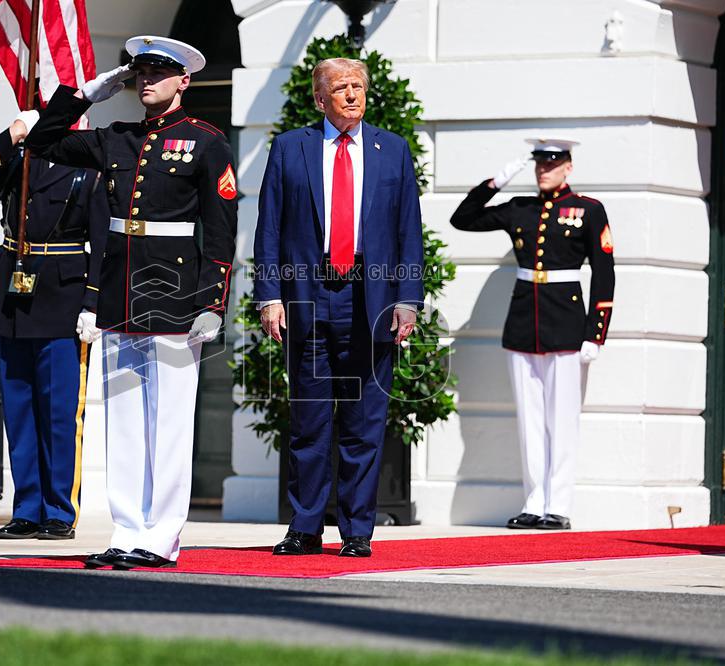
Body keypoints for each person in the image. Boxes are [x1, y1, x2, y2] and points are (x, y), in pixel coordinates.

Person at [22, 36, 237, 569]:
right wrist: (86, 94)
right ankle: (127, 530)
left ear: (184, 81)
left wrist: (213, 300)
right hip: (120, 293)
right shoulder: (115, 138)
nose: (147, 81)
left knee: (167, 422)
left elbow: (221, 229)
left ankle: (161, 536)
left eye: (159, 73)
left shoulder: (206, 142)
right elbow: (42, 143)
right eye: (140, 72)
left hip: (174, 295)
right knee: (122, 419)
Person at [253, 58, 424, 558]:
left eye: (358, 87)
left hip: (370, 300)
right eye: (341, 88)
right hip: (309, 296)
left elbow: (408, 233)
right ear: (319, 98)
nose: (352, 95)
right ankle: (305, 527)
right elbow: (269, 229)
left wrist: (409, 301)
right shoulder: (290, 148)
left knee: (364, 422)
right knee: (309, 420)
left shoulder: (391, 149)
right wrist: (269, 296)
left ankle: (356, 532)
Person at [450, 138, 616, 530]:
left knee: (561, 419)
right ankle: (533, 501)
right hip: (524, 322)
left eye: (552, 164)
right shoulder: (518, 208)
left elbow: (605, 273)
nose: (544, 171)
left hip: (566, 325)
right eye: (540, 164)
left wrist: (596, 333)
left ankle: (557, 505)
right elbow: (463, 218)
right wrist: (495, 183)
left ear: (568, 168)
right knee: (530, 419)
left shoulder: (588, 210)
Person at [0, 110, 108, 540]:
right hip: (14, 296)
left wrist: (92, 303)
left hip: (62, 297)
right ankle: (27, 507)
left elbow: (102, 242)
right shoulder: (19, 159)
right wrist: (12, 132)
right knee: (19, 410)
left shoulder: (90, 168)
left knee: (61, 414)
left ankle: (59, 510)